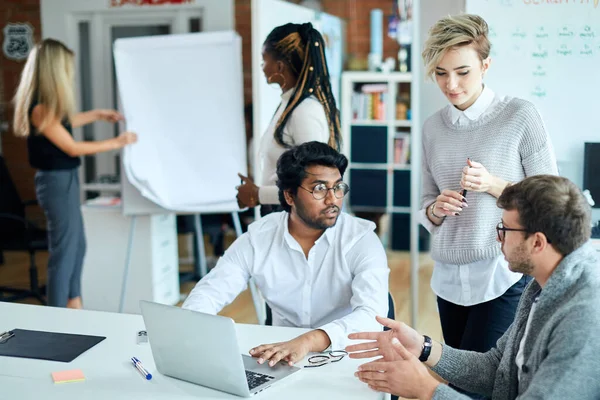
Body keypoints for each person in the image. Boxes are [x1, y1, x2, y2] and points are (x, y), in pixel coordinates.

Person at [348, 175, 600, 400]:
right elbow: (497, 369)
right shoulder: (539, 287)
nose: (497, 238)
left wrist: (427, 390)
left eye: (504, 229)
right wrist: (424, 347)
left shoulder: (584, 316)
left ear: (537, 243)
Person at [419, 14, 558, 358]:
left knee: (481, 382)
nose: (451, 84)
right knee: (454, 373)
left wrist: (495, 184)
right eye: (440, 73)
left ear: (485, 65)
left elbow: (553, 199)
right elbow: (424, 202)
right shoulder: (432, 128)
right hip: (448, 277)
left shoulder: (520, 115)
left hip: (503, 274)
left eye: (462, 72)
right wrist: (436, 208)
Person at [183, 141, 389, 366]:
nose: (333, 200)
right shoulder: (260, 237)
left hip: (345, 355)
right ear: (289, 196)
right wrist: (189, 327)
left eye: (338, 187)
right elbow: (212, 290)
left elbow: (372, 316)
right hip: (280, 357)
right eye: (319, 188)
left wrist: (309, 340)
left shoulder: (361, 239)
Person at [12, 39, 137, 308]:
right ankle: (58, 315)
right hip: (56, 182)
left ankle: (74, 302)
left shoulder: (46, 108)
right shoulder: (39, 109)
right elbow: (71, 147)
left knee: (77, 246)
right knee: (65, 251)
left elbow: (65, 124)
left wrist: (96, 115)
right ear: (54, 71)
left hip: (64, 181)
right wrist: (117, 142)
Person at [236, 22, 341, 215]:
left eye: (263, 60)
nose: (262, 66)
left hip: (296, 224)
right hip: (282, 218)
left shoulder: (305, 111)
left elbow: (314, 187)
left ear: (279, 66)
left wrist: (258, 194)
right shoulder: (289, 104)